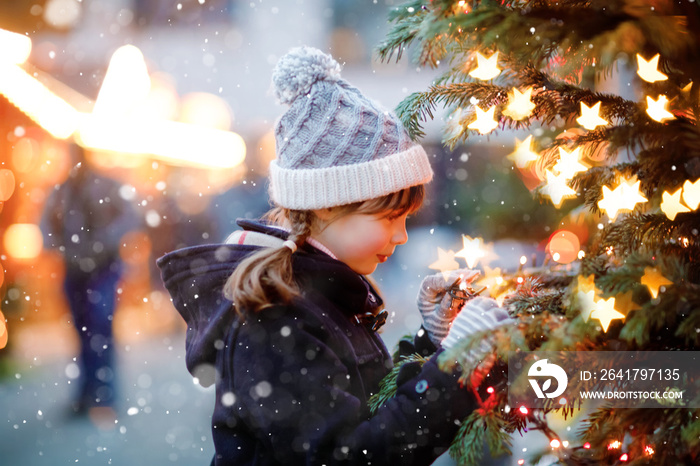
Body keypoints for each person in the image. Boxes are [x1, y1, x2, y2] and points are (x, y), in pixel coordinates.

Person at [157, 47, 512, 465]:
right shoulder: (273, 320)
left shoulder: (318, 293)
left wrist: (430, 344)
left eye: (407, 219)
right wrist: (454, 366)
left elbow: (364, 401)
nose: (400, 236)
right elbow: (352, 455)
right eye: (388, 217)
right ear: (327, 205)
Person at [41, 145, 140, 414]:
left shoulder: (106, 186)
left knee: (99, 329)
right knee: (83, 333)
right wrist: (63, 248)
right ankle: (87, 394)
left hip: (103, 269)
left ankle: (104, 396)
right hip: (75, 271)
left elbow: (130, 218)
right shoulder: (62, 191)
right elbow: (46, 226)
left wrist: (102, 243)